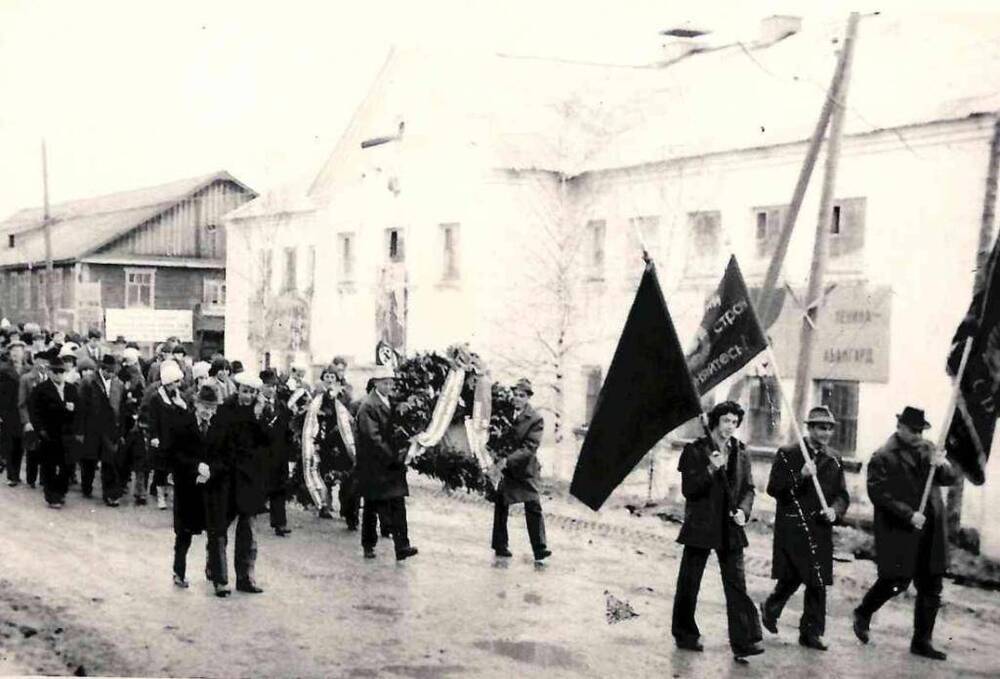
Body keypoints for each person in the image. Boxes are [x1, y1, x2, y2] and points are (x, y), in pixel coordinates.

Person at [853, 406, 959, 661]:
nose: (918, 435)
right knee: (896, 580)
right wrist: (908, 514)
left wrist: (942, 464)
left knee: (932, 584)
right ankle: (864, 611)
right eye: (913, 430)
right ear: (900, 427)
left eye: (921, 430)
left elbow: (948, 478)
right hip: (901, 529)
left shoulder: (929, 448)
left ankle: (922, 641)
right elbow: (878, 493)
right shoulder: (884, 455)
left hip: (931, 528)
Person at [671, 401, 763, 660]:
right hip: (701, 523)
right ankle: (685, 633)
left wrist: (743, 511)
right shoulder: (696, 450)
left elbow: (749, 488)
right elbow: (689, 489)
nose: (730, 427)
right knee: (690, 582)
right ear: (715, 422)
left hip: (730, 526)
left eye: (734, 422)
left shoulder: (741, 452)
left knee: (737, 583)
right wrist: (711, 468)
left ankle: (744, 641)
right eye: (725, 421)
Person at [760, 406, 850, 651]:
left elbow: (842, 494)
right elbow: (774, 489)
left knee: (817, 581)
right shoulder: (789, 453)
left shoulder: (834, 458)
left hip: (820, 526)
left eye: (830, 428)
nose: (826, 433)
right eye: (821, 427)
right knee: (794, 575)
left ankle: (811, 633)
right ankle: (772, 607)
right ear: (809, 428)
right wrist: (800, 475)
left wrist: (835, 510)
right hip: (794, 524)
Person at [203, 372, 269, 596]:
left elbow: (266, 443)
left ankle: (245, 578)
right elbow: (213, 445)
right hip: (225, 479)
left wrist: (259, 418)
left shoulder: (258, 414)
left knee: (247, 532)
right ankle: (219, 578)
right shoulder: (224, 412)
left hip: (248, 481)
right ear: (237, 390)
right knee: (219, 529)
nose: (247, 396)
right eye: (244, 391)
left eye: (252, 392)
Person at [355, 365, 417, 561]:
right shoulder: (368, 406)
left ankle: (402, 546)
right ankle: (368, 544)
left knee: (398, 503)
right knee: (372, 506)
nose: (389, 386)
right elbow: (372, 438)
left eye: (391, 383)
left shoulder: (390, 402)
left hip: (390, 464)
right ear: (375, 383)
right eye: (385, 383)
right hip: (375, 465)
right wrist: (393, 456)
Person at [165, 385, 220, 588]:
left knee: (213, 532)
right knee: (184, 533)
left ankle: (212, 568)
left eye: (211, 407)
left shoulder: (216, 427)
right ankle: (179, 571)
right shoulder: (183, 424)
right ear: (196, 404)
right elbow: (175, 454)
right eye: (204, 406)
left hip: (209, 486)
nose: (207, 411)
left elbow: (221, 454)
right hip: (187, 487)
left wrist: (210, 472)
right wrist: (196, 468)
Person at [491, 378, 550, 561]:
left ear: (528, 397)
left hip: (525, 469)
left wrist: (507, 461)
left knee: (533, 505)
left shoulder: (536, 419)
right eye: (515, 395)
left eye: (521, 395)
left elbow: (529, 447)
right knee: (501, 503)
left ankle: (540, 549)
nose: (517, 398)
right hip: (506, 468)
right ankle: (500, 545)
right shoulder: (504, 412)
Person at [28, 349, 78, 508]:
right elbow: (34, 411)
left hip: (67, 434)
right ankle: (52, 496)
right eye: (55, 372)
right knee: (49, 466)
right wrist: (40, 430)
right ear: (49, 372)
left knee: (67, 466)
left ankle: (61, 492)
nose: (58, 375)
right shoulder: (41, 389)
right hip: (49, 433)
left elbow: (80, 410)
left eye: (61, 372)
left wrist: (73, 412)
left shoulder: (71, 389)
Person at [74, 354, 125, 505]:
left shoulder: (118, 384)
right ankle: (86, 485)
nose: (112, 375)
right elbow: (81, 408)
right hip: (92, 426)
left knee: (109, 460)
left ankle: (110, 495)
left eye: (114, 372)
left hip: (110, 428)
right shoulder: (88, 382)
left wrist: (120, 430)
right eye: (109, 371)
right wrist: (80, 431)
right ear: (102, 369)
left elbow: (121, 408)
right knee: (89, 460)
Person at [146, 360, 187, 510]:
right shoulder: (156, 398)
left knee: (176, 468)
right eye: (175, 381)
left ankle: (176, 497)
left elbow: (185, 416)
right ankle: (160, 497)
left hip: (177, 438)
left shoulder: (180, 396)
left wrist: (181, 405)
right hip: (162, 438)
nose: (178, 384)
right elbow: (153, 419)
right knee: (160, 469)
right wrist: (154, 436)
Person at [258, 369, 293, 536]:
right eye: (267, 385)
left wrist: (288, 453)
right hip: (260, 454)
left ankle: (280, 523)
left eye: (273, 386)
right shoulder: (255, 406)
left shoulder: (282, 406)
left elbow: (287, 431)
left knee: (279, 488)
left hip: (279, 454)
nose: (271, 389)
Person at [18, 347, 50, 489]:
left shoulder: (50, 378)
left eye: (46, 361)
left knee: (46, 450)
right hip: (32, 419)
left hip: (46, 421)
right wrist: (26, 421)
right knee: (32, 451)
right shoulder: (26, 379)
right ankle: (31, 479)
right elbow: (22, 403)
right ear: (35, 361)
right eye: (41, 360)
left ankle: (44, 479)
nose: (43, 364)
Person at [0, 340, 27, 486]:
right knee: (10, 444)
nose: (16, 354)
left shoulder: (28, 369)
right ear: (10, 354)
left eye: (19, 351)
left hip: (22, 411)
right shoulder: (4, 370)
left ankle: (16, 472)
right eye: (13, 351)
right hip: (8, 411)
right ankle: (12, 475)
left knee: (20, 444)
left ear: (24, 353)